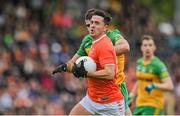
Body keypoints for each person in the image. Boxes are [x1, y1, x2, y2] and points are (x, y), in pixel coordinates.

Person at [52, 8, 132, 115]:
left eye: (95, 23)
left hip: (116, 87)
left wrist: (103, 53)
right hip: (94, 93)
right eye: (88, 25)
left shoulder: (110, 37)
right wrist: (66, 67)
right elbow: (73, 63)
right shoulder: (88, 40)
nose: (91, 27)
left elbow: (125, 47)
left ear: (104, 27)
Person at [129, 35, 174, 115]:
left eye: (150, 45)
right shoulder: (139, 62)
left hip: (154, 105)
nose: (148, 48)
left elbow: (170, 85)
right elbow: (139, 80)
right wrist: (132, 95)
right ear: (141, 47)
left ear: (154, 47)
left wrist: (154, 85)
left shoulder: (158, 65)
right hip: (139, 104)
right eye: (145, 45)